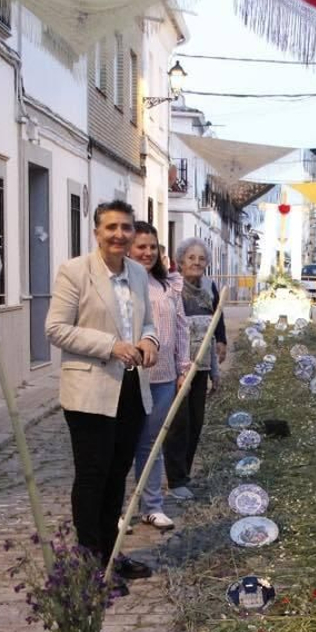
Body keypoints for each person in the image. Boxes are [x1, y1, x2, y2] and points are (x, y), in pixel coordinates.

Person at [45, 200, 161, 591]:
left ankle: (112, 554)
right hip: (89, 391)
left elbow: (146, 322)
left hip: (131, 389)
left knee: (117, 478)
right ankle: (89, 565)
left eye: (126, 227)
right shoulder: (75, 272)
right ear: (96, 232)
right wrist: (110, 345)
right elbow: (56, 329)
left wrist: (149, 340)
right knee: (92, 478)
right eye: (111, 227)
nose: (119, 235)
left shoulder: (138, 274)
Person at [128, 221, 189, 532]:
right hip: (129, 378)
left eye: (152, 247)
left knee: (152, 444)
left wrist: (183, 368)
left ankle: (151, 506)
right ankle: (116, 509)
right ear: (128, 248)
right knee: (124, 446)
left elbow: (181, 328)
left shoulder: (168, 286)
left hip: (163, 378)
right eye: (141, 246)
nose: (147, 252)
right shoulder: (123, 284)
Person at [163, 237, 226, 499]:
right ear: (180, 260)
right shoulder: (172, 287)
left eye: (201, 259)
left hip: (201, 366)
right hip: (179, 365)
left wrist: (221, 340)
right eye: (191, 258)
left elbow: (217, 316)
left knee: (196, 423)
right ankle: (175, 479)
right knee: (178, 423)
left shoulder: (211, 286)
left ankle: (184, 475)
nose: (197, 263)